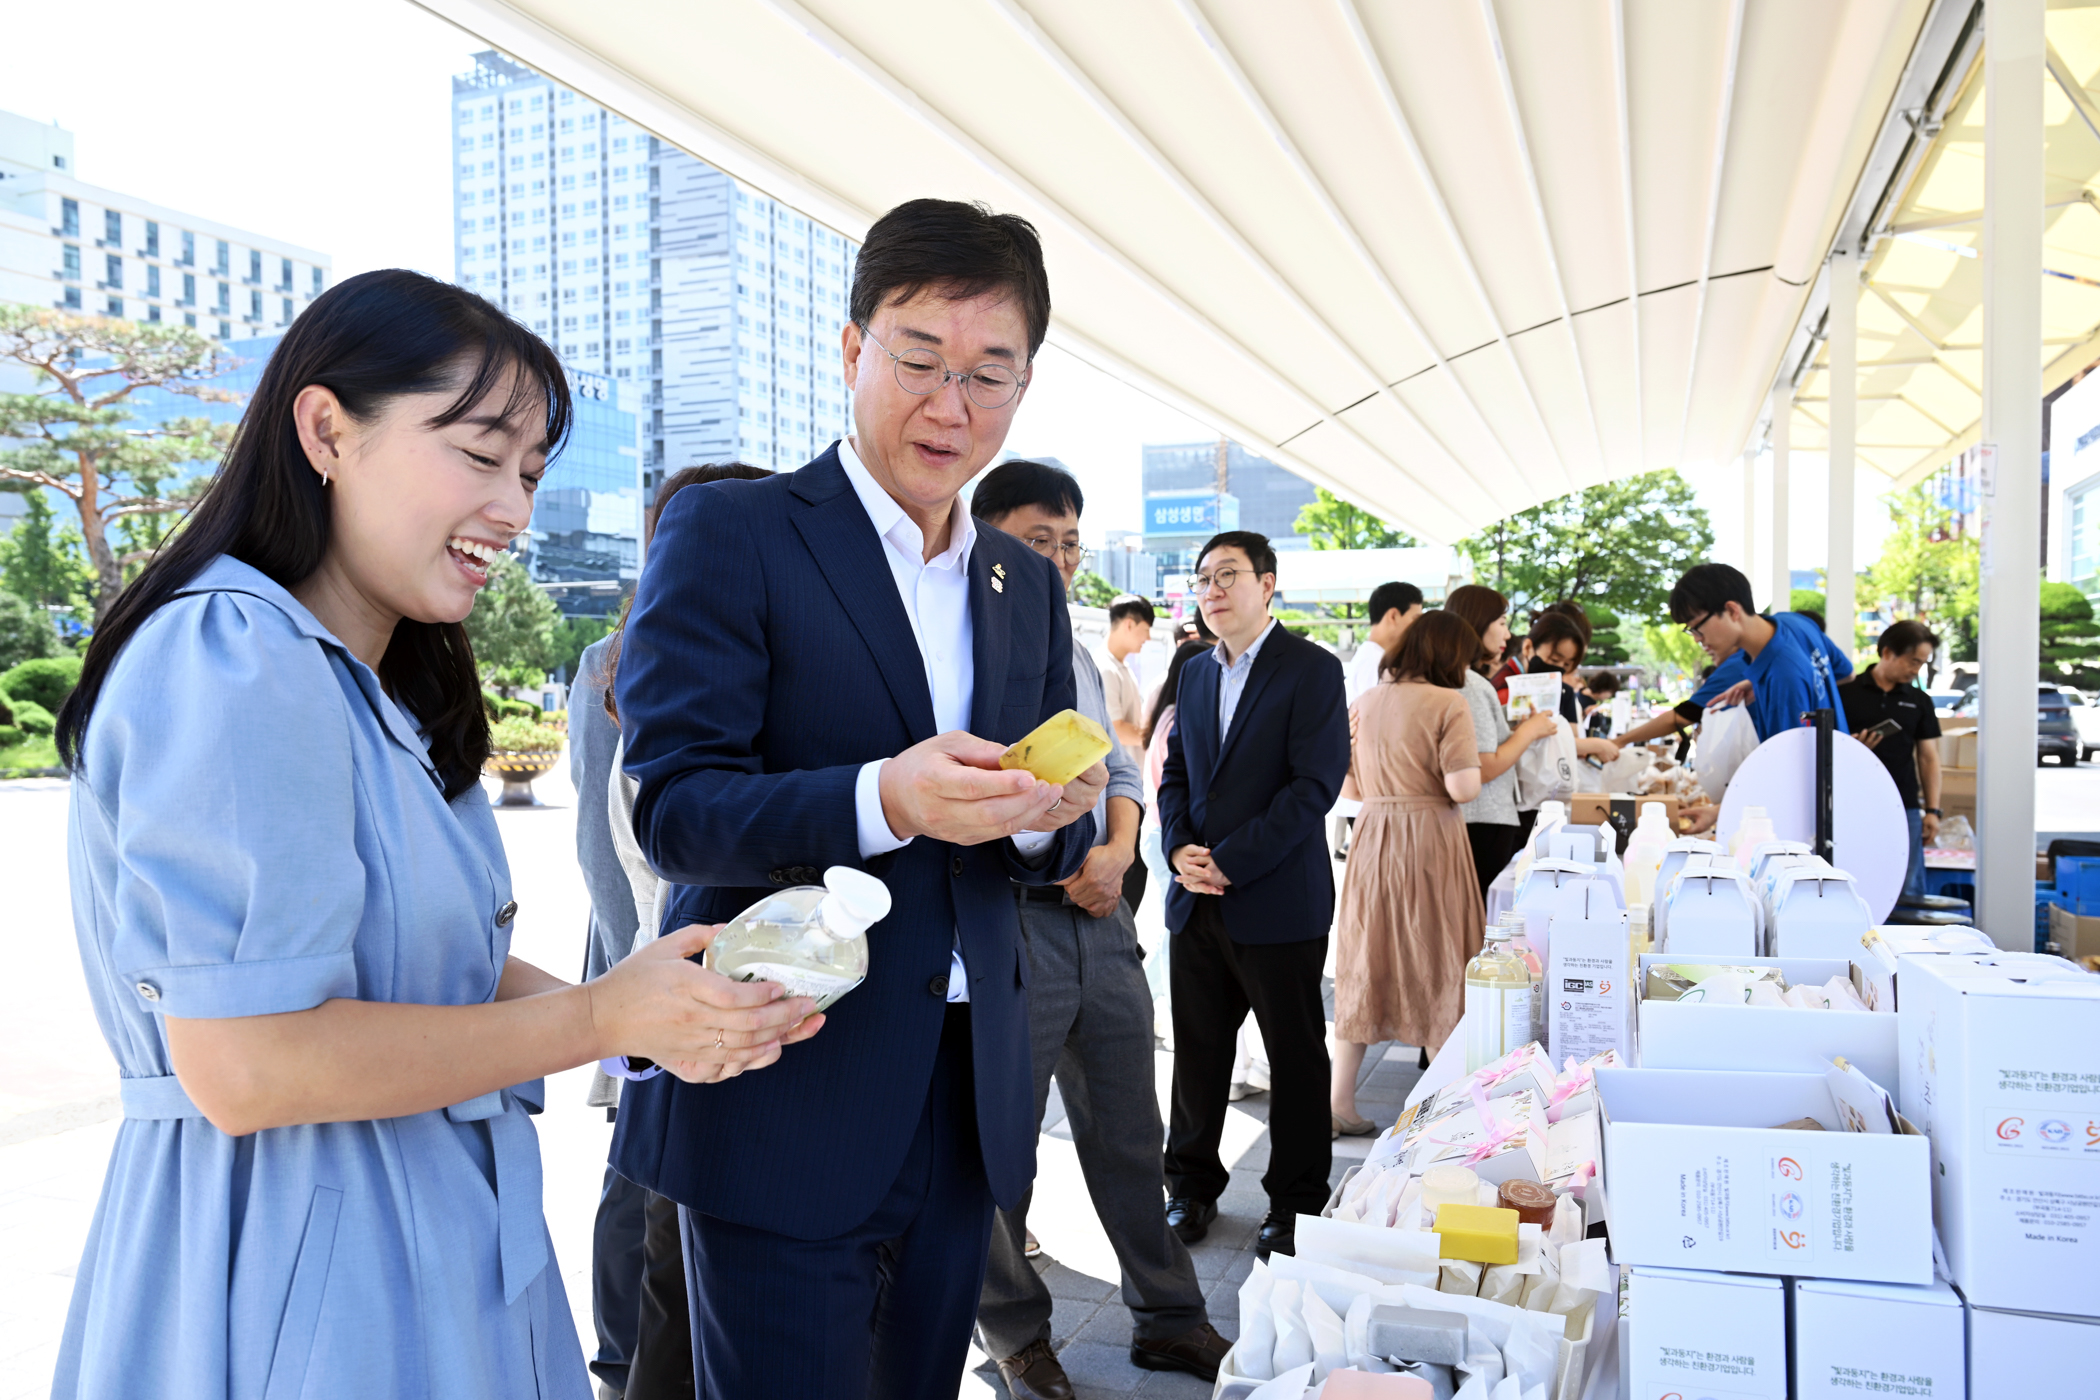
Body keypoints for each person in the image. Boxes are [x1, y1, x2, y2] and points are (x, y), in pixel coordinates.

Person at [51, 270, 818, 1400]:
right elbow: (250, 1062)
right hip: (296, 1249)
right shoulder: (234, 652)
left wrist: (654, 1023)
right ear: (326, 429)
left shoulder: (365, 676)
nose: (514, 507)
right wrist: (599, 1014)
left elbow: (426, 959)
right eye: (477, 453)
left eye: (530, 472)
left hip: (416, 1221)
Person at [607, 198, 1106, 1400]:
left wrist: (1051, 818)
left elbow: (1044, 846)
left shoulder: (1019, 582)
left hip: (963, 1085)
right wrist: (886, 797)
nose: (952, 406)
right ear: (851, 349)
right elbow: (674, 804)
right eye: (919, 360)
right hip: (786, 1079)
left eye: (991, 374)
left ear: (1026, 384)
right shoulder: (736, 531)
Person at [969, 460, 1228, 1399]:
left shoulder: (1077, 651)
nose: (1061, 559)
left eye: (1071, 542)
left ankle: (1169, 1317)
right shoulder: (956, 643)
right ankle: (1014, 1335)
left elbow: (1120, 771)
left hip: (1099, 915)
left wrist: (1118, 855)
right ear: (985, 537)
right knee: (998, 1147)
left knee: (1129, 1127)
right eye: (1040, 540)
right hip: (1009, 922)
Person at [594, 463, 775, 1400]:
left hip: (702, 992)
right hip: (668, 979)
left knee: (670, 1230)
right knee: (660, 1234)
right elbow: (621, 838)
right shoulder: (627, 659)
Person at [1158, 530, 1350, 1262]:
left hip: (1275, 900)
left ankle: (1296, 1205)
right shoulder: (1195, 674)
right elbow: (1175, 776)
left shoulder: (1311, 670)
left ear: (1268, 584)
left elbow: (1314, 787)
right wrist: (1178, 848)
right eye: (1203, 578)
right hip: (1196, 901)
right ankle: (1191, 1188)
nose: (1212, 589)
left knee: (1295, 1058)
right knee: (1198, 1056)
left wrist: (1231, 862)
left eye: (1228, 575)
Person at [1331, 611, 1490, 1126]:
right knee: (1441, 957)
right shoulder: (1449, 702)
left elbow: (1350, 790)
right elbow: (1463, 787)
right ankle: (1442, 1111)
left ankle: (1339, 1104)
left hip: (1374, 835)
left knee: (1366, 956)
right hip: (1429, 836)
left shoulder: (1365, 702)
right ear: (1449, 655)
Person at [1441, 585, 1557, 899]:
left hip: (1476, 819)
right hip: (1482, 820)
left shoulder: (1460, 679)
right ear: (1477, 623)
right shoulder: (1469, 684)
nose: (1508, 634)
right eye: (1502, 623)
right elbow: (1484, 765)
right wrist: (1528, 731)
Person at [1668, 564, 1846, 741]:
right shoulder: (1796, 623)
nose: (1697, 639)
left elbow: (1789, 764)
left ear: (1731, 610)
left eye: (1697, 628)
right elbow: (1847, 673)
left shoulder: (1782, 676)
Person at [1839, 619, 1943, 898]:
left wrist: (1932, 810)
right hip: (1852, 803)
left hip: (1904, 804)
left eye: (1921, 663)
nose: (1916, 669)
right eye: (1913, 661)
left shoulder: (1920, 701)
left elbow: (1928, 758)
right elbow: (1824, 748)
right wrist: (1853, 749)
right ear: (1887, 653)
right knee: (1853, 882)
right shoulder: (1845, 693)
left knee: (1908, 888)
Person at [1346, 581, 1425, 705]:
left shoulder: (1372, 656)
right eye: (1415, 619)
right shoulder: (1375, 662)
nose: (1418, 626)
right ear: (1393, 616)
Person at [1099, 593, 1155, 759]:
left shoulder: (1121, 667)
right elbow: (1117, 730)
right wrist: (1160, 738)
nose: (1148, 638)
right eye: (1146, 630)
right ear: (1129, 624)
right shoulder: (1106, 669)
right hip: (1117, 778)